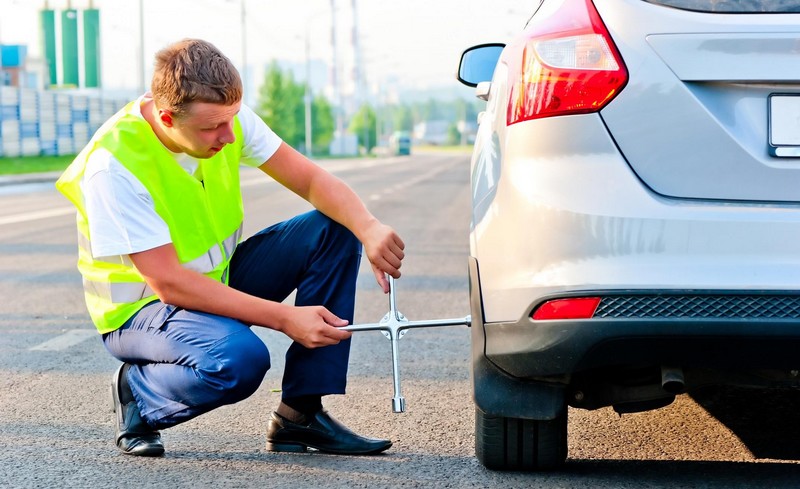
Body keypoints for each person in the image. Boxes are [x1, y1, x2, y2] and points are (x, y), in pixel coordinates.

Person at [56, 38, 405, 457]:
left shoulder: (224, 115)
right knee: (239, 361)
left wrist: (368, 227)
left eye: (232, 119)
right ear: (167, 117)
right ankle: (138, 390)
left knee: (335, 228)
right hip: (140, 314)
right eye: (211, 129)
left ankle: (300, 416)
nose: (228, 134)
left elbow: (311, 182)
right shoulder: (113, 167)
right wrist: (284, 318)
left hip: (210, 284)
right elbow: (169, 283)